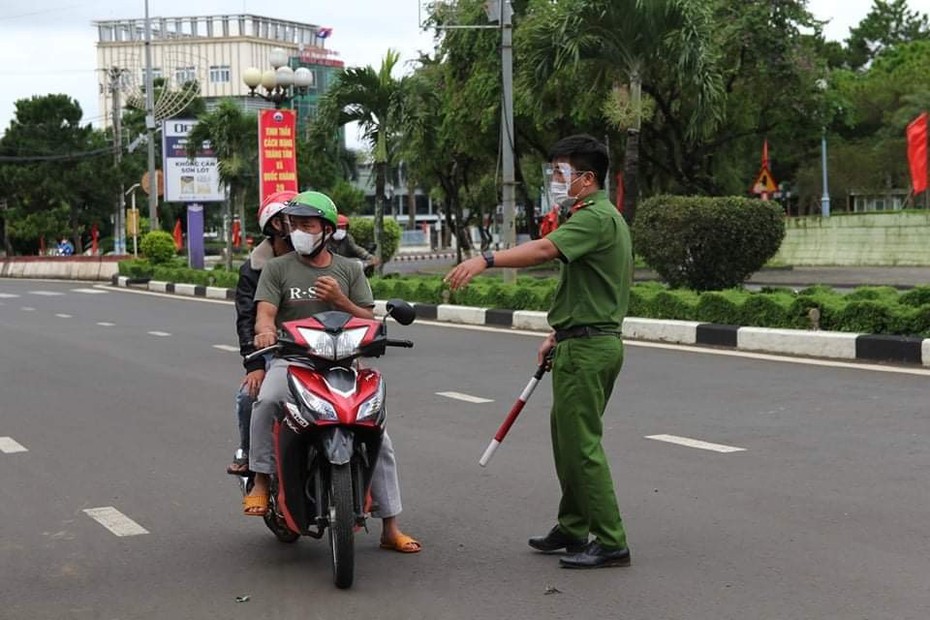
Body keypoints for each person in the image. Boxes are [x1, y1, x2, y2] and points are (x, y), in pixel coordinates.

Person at [445, 134, 633, 569]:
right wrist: (559, 334)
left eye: (560, 173)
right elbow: (585, 287)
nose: (554, 180)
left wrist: (486, 260)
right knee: (568, 443)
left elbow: (545, 250)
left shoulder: (594, 218)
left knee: (582, 446)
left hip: (590, 349)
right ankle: (572, 527)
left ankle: (610, 540)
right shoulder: (597, 216)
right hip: (581, 341)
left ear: (586, 179)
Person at [243, 190, 421, 553]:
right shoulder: (277, 268)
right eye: (295, 225)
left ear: (326, 229)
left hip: (343, 363)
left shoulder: (349, 269)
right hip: (294, 360)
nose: (298, 232)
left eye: (307, 225)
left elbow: (369, 319)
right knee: (267, 399)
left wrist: (341, 300)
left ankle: (390, 526)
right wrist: (264, 332)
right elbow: (264, 314)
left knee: (380, 439)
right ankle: (261, 478)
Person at [226, 190, 297, 476]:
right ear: (274, 225)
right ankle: (249, 453)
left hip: (317, 348)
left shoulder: (318, 260)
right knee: (248, 396)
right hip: (274, 350)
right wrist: (255, 364)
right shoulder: (254, 269)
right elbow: (247, 319)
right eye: (292, 220)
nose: (301, 227)